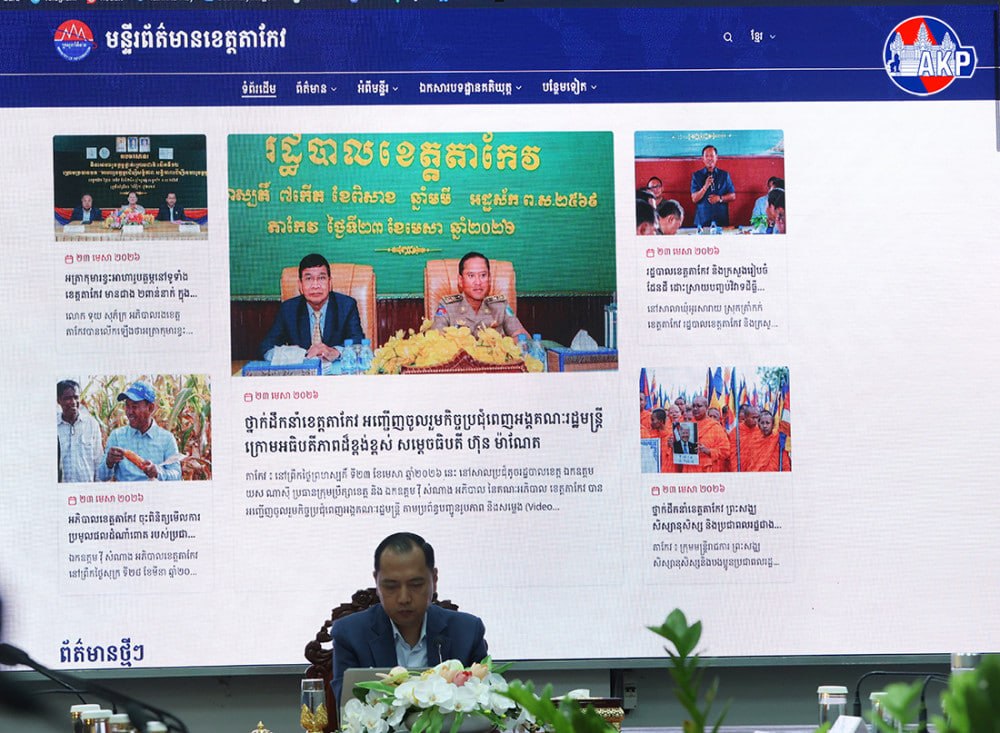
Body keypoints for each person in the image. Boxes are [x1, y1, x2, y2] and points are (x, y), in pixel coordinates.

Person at [330, 532, 488, 707]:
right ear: (376, 582)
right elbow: (348, 709)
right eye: (391, 586)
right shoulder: (350, 634)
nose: (404, 598)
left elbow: (484, 703)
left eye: (416, 585)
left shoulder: (467, 631)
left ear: (434, 579)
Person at [260, 253, 365, 362]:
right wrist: (301, 355)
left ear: (330, 283)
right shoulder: (288, 309)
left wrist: (335, 352)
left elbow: (358, 344)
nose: (315, 285)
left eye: (321, 278)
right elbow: (266, 347)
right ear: (300, 285)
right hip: (303, 371)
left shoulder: (346, 306)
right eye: (309, 279)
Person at [98, 381, 181, 482]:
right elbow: (102, 477)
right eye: (127, 406)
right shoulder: (116, 436)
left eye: (134, 407)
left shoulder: (166, 439)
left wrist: (157, 473)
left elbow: (176, 475)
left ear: (150, 408)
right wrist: (109, 462)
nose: (129, 412)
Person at [431, 252, 527, 338]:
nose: (478, 282)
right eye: (471, 276)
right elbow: (436, 340)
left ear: (489, 279)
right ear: (460, 280)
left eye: (483, 275)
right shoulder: (448, 307)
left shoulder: (500, 306)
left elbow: (521, 335)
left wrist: (509, 343)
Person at [56, 380, 103, 483]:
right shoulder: (53, 427)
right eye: (68, 398)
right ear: (59, 400)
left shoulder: (91, 424)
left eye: (76, 397)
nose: (73, 402)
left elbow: (98, 460)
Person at [681, 396, 730, 473]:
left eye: (699, 406)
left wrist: (708, 451)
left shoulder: (715, 427)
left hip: (707, 472)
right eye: (693, 406)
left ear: (706, 408)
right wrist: (675, 445)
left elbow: (725, 451)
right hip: (689, 470)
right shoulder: (687, 425)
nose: (695, 409)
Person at [690, 145, 735, 227]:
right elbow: (694, 199)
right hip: (702, 222)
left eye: (712, 156)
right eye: (706, 156)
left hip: (721, 221)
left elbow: (732, 196)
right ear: (703, 159)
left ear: (716, 157)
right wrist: (705, 187)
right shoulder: (696, 176)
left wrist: (720, 198)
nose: (709, 158)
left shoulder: (724, 175)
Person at [728, 404, 761, 472]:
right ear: (745, 417)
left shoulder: (760, 431)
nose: (756, 420)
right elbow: (732, 453)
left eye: (757, 418)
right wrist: (735, 470)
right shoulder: (736, 431)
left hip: (756, 469)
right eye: (753, 418)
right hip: (739, 468)